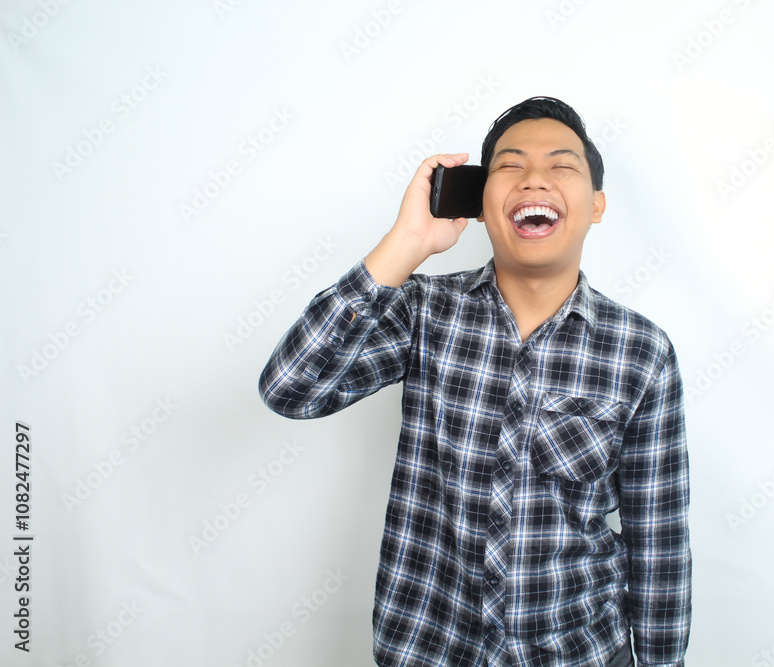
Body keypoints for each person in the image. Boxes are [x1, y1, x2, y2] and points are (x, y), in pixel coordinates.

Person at [258, 96, 691, 667]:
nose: (534, 178)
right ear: (481, 203)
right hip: (428, 648)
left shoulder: (642, 351)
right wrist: (407, 243)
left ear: (596, 205)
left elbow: (659, 544)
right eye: (510, 165)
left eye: (562, 165)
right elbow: (290, 388)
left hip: (577, 651)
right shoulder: (425, 312)